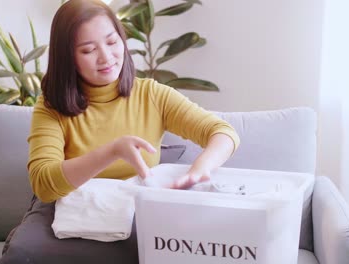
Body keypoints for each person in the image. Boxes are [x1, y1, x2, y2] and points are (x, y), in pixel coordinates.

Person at [27, 0, 240, 203]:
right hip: (76, 217)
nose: (106, 57)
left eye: (112, 42)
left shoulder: (152, 95)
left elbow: (223, 133)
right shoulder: (51, 106)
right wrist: (112, 151)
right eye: (89, 50)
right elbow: (43, 185)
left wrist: (200, 169)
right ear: (67, 57)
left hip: (137, 213)